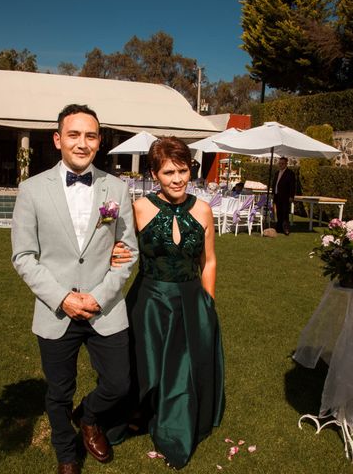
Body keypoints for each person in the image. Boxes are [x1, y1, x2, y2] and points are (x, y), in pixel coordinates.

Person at [11, 104, 138, 474]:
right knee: (58, 393)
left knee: (119, 382)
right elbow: (23, 255)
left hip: (106, 307)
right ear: (57, 139)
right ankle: (66, 456)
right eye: (74, 134)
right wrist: (63, 298)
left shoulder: (117, 188)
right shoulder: (31, 190)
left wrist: (98, 297)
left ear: (99, 142)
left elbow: (127, 252)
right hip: (55, 310)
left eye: (91, 135)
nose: (82, 143)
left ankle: (90, 418)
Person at [111, 137, 225, 468]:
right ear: (154, 174)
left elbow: (210, 260)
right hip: (149, 303)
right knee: (147, 368)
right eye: (168, 172)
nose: (176, 179)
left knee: (182, 370)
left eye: (183, 170)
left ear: (191, 170)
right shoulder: (139, 208)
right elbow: (119, 249)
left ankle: (176, 428)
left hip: (191, 301)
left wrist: (208, 303)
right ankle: (141, 412)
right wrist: (114, 252)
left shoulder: (203, 210)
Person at [272, 156, 296, 235]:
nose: (280, 165)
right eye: (280, 163)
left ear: (286, 164)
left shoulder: (290, 173)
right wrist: (273, 193)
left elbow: (292, 186)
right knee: (279, 213)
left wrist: (291, 196)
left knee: (285, 213)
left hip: (285, 196)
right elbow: (274, 184)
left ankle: (286, 229)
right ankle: (279, 228)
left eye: (282, 163)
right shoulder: (277, 173)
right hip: (277, 195)